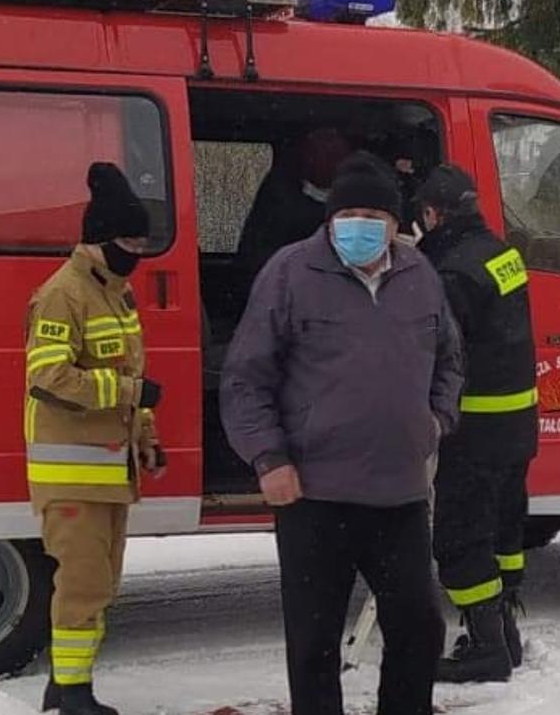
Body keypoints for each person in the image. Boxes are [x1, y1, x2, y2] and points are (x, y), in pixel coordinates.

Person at [220, 152, 465, 715]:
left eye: (373, 215)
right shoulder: (290, 272)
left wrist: (435, 422)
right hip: (314, 496)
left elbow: (450, 361)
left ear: (394, 222)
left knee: (419, 627)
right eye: (349, 213)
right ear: (330, 218)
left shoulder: (419, 275)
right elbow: (245, 378)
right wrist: (268, 458)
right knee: (313, 644)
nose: (360, 225)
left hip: (397, 495)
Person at [24, 163, 168, 715]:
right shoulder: (65, 295)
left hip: (109, 471)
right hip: (72, 476)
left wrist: (146, 437)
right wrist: (127, 390)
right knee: (82, 586)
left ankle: (65, 684)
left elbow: (133, 381)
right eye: (128, 241)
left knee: (100, 585)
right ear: (100, 239)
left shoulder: (116, 293)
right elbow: (48, 377)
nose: (136, 252)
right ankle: (74, 697)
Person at [413, 164, 540, 684]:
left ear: (433, 214)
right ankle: (505, 631)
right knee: (504, 531)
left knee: (461, 539)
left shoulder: (453, 273)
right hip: (517, 425)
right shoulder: (503, 254)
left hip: (476, 429)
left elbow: (439, 347)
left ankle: (487, 647)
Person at [233, 127, 353, 287]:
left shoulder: (365, 196)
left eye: (335, 153)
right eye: (321, 151)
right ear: (305, 155)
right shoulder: (279, 196)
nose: (329, 159)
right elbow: (258, 257)